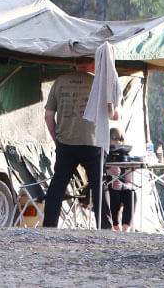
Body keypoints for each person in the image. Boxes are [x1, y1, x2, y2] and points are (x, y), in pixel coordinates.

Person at [42, 59, 113, 229]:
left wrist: (56, 139)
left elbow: (48, 115)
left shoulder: (60, 81)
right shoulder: (99, 83)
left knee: (58, 184)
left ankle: (49, 226)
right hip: (92, 142)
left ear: (75, 63)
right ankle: (105, 228)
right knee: (97, 185)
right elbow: (113, 114)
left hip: (66, 142)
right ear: (93, 64)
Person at [107, 127, 134, 231]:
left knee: (131, 193)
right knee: (112, 192)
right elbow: (90, 175)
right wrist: (108, 172)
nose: (117, 141)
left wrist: (123, 186)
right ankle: (115, 225)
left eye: (120, 139)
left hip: (121, 187)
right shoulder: (103, 155)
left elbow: (129, 182)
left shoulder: (125, 157)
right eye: (114, 138)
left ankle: (126, 227)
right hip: (106, 187)